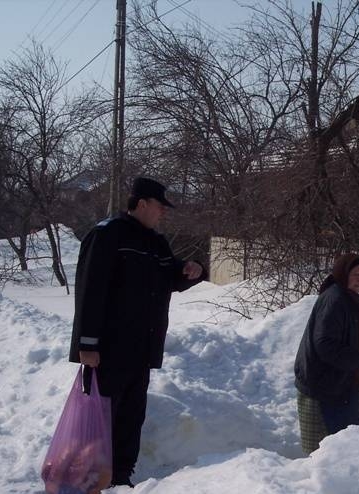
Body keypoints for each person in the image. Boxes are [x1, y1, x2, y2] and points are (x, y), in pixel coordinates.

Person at [69, 176, 205, 487]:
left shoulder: (155, 242)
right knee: (101, 418)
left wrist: (193, 270)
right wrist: (86, 344)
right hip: (108, 351)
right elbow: (90, 291)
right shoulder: (108, 235)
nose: (164, 213)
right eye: (160, 206)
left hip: (141, 349)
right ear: (141, 203)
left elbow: (171, 277)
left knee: (130, 418)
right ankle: (89, 478)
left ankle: (119, 477)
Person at [293, 253, 359, 454]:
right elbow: (324, 344)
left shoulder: (350, 299)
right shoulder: (335, 300)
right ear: (343, 274)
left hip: (341, 388)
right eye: (355, 274)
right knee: (324, 455)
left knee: (342, 451)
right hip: (324, 391)